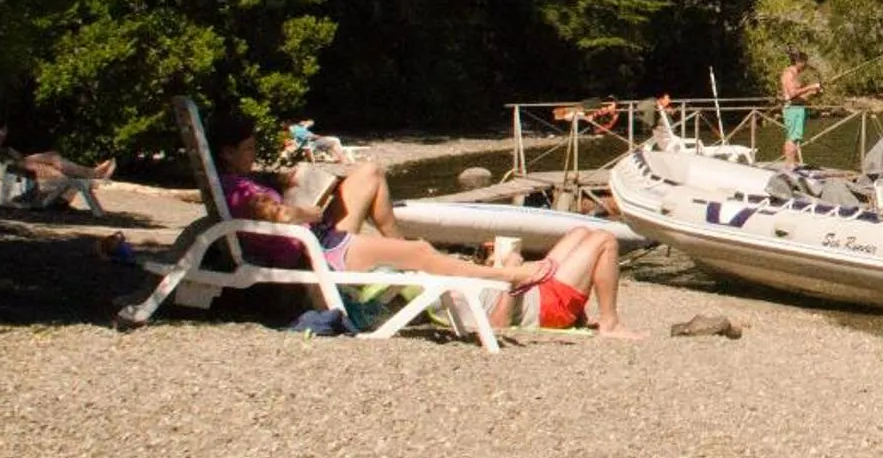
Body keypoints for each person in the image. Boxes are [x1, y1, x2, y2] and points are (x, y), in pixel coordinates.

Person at [209, 114, 537, 290]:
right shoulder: (241, 193)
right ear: (227, 152)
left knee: (370, 173)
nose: (254, 155)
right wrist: (311, 211)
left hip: (315, 241)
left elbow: (263, 204)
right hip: (315, 252)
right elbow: (279, 214)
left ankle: (400, 250)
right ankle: (506, 278)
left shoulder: (234, 185)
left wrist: (286, 180)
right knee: (420, 251)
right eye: (249, 149)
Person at [491, 228, 640, 339]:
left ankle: (578, 317)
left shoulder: (467, 274)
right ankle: (610, 323)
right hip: (545, 307)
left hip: (531, 286)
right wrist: (512, 272)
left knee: (580, 232)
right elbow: (499, 324)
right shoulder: (467, 302)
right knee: (605, 240)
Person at [778, 52, 820, 167]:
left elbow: (799, 95)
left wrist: (812, 92)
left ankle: (792, 164)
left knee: (795, 137)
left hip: (797, 107)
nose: (805, 65)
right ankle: (790, 165)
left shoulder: (796, 74)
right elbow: (792, 94)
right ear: (798, 62)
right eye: (804, 62)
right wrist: (810, 87)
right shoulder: (789, 74)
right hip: (792, 108)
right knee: (792, 137)